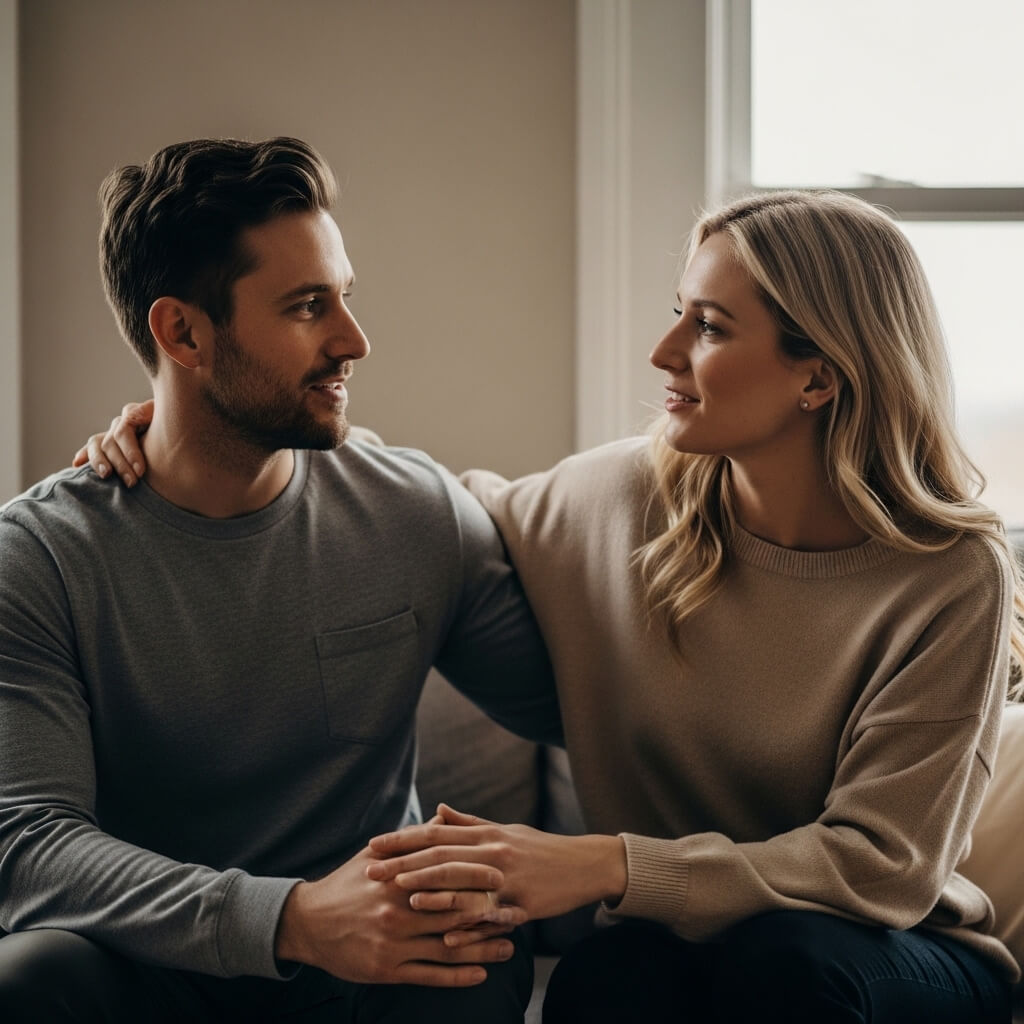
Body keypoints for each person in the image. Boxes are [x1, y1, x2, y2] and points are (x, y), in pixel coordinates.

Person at [80, 191, 1024, 1023]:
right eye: (676, 313)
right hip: (680, 943)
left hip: (884, 952)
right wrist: (182, 434)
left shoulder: (951, 572)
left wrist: (608, 866)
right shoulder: (619, 499)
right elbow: (419, 511)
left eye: (709, 327)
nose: (663, 353)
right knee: (608, 984)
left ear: (819, 376)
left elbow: (884, 869)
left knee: (789, 966)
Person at [0, 137, 563, 1023]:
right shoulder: (40, 558)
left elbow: (580, 709)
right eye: (308, 307)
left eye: (345, 296)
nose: (354, 340)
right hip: (153, 963)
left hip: (371, 973)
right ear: (182, 332)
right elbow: (28, 849)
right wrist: (290, 919)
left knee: (471, 955)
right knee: (29, 979)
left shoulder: (413, 510)